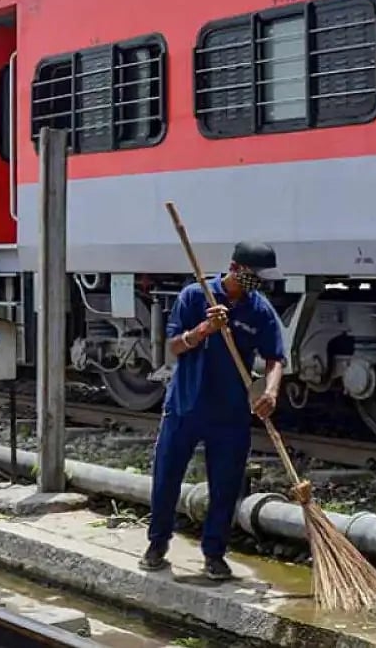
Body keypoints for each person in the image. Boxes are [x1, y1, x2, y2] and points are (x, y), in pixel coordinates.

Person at [139, 241, 286, 580]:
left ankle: (214, 554)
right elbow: (174, 347)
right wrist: (204, 330)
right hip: (186, 406)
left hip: (230, 410)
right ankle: (157, 544)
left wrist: (271, 391)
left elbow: (275, 357)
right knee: (166, 478)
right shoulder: (196, 296)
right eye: (256, 275)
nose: (260, 282)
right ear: (236, 269)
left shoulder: (259, 310)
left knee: (226, 485)